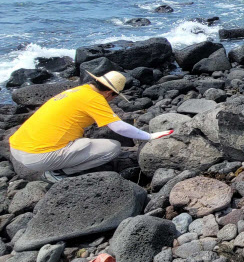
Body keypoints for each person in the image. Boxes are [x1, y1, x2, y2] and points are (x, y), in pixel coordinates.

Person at [9, 71, 171, 182]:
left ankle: (57, 164)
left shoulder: (80, 91)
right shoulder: (95, 99)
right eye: (114, 97)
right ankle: (57, 173)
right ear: (110, 93)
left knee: (83, 141)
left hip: (16, 147)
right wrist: (149, 136)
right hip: (37, 157)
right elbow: (119, 128)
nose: (112, 100)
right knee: (112, 147)